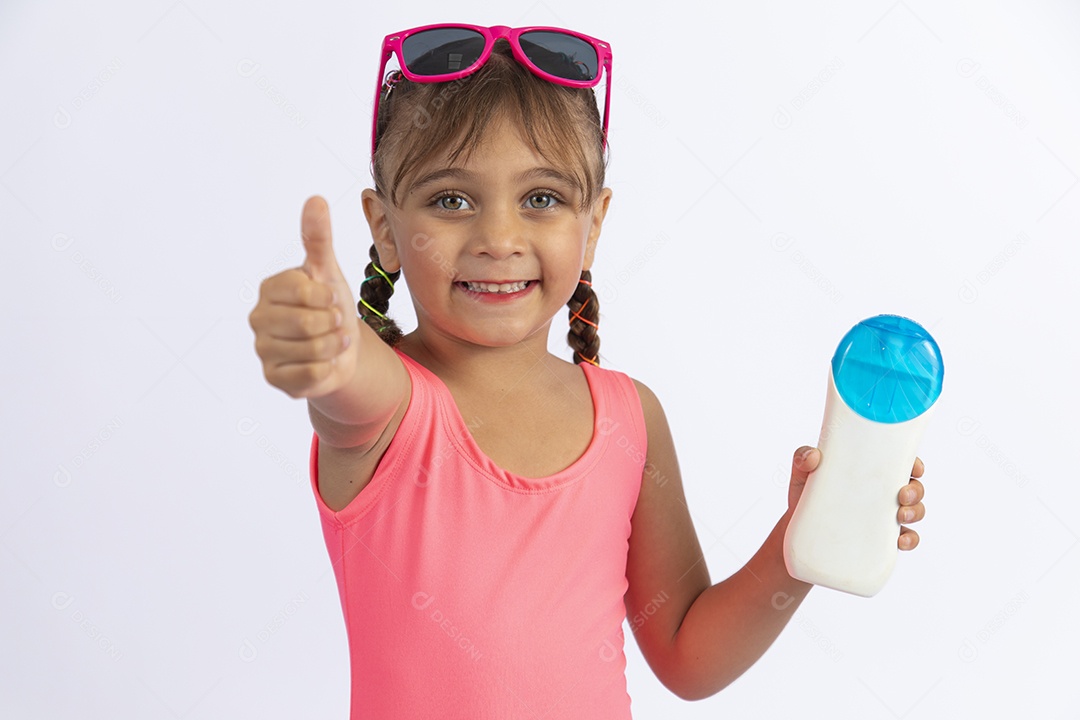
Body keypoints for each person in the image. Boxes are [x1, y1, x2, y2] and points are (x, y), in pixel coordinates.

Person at [247, 24, 927, 718]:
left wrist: (798, 543)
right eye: (451, 200)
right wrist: (324, 343)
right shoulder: (389, 410)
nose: (499, 239)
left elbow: (689, 653)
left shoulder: (630, 418)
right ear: (386, 227)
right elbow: (346, 387)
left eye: (541, 198)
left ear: (594, 222)